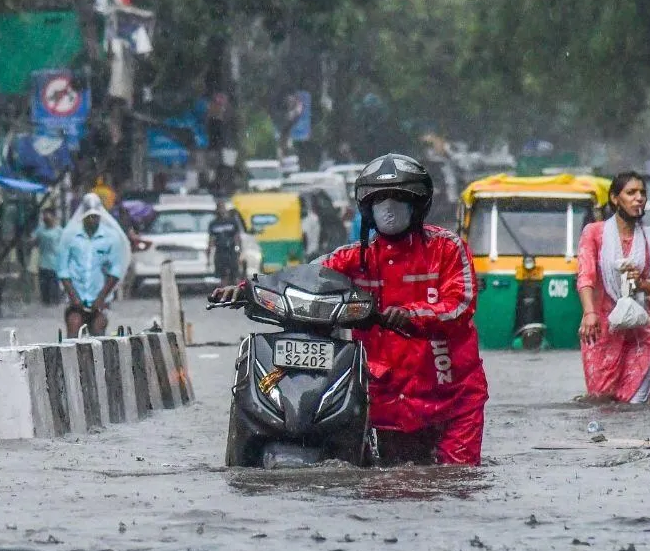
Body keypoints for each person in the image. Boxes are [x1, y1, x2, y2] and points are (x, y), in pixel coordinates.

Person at [212, 153, 489, 466]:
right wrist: (245, 291)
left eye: (398, 198)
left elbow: (460, 304)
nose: (389, 208)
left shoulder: (447, 248)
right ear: (367, 208)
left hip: (451, 399)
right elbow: (301, 280)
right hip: (383, 399)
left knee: (456, 482)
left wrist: (410, 314)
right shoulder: (352, 258)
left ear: (419, 204)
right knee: (383, 488)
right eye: (380, 200)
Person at [576, 172, 650, 404]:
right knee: (602, 400)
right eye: (631, 193)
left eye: (642, 193)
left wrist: (641, 283)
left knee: (637, 404)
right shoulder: (594, 233)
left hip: (640, 329)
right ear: (615, 198)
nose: (639, 198)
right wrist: (589, 313)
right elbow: (585, 276)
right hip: (602, 326)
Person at [57, 194, 131, 337]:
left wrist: (101, 298)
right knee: (73, 330)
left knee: (98, 333)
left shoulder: (111, 237)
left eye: (95, 217)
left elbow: (115, 270)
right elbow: (62, 270)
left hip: (99, 300)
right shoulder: (69, 235)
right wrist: (74, 298)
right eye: (89, 217)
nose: (92, 220)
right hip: (75, 300)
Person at [32, 208, 63, 306]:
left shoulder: (59, 231)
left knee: (54, 292)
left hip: (55, 265)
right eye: (44, 218)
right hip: (43, 264)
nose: (45, 219)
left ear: (54, 218)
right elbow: (33, 241)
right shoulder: (40, 230)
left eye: (48, 217)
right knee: (44, 293)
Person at [207, 202, 242, 286]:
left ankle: (238, 292)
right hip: (220, 252)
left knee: (235, 274)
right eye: (219, 209)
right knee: (223, 275)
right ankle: (224, 293)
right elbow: (211, 239)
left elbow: (237, 237)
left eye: (222, 208)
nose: (221, 211)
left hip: (231, 251)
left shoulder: (232, 222)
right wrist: (208, 255)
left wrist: (239, 250)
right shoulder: (214, 224)